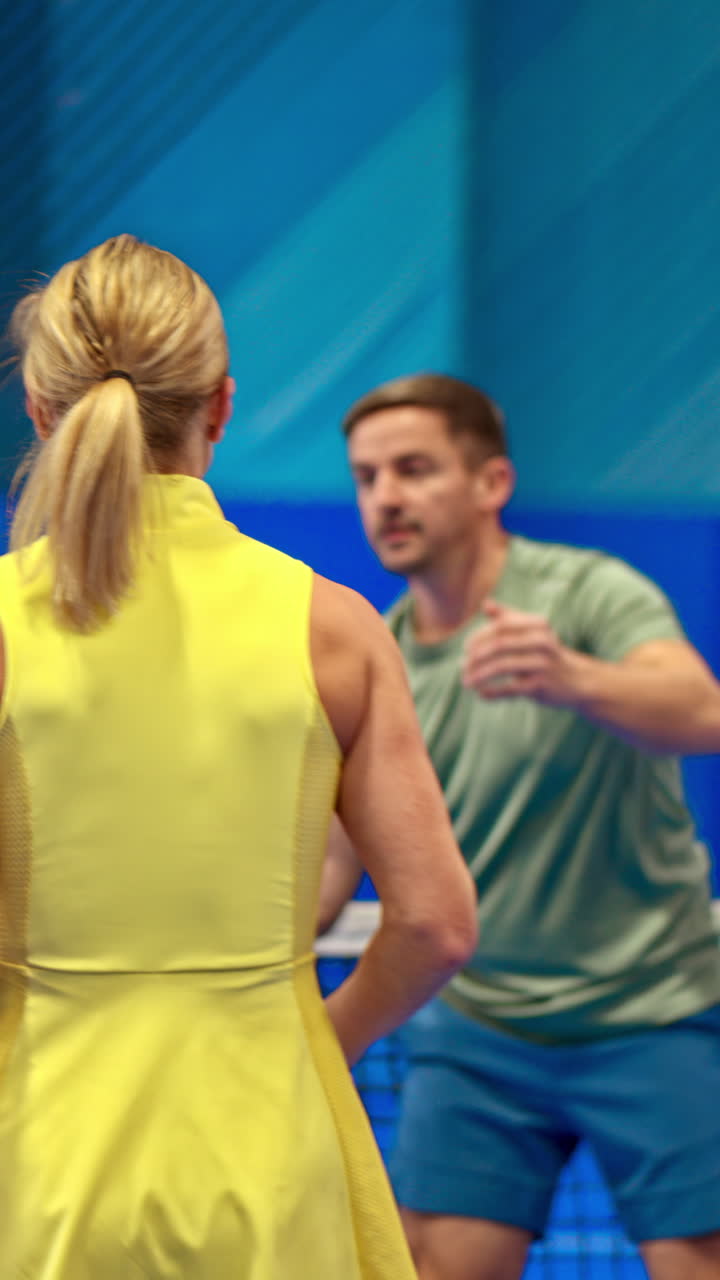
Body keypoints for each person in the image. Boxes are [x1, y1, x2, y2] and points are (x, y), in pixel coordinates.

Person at [0, 242, 478, 1280]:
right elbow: (437, 924)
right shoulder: (335, 630)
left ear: (39, 411)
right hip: (271, 1162)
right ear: (219, 408)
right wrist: (318, 1041)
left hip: (33, 1170)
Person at [319, 372, 720, 1280]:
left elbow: (701, 712)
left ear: (491, 482)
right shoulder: (381, 657)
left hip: (651, 1009)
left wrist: (575, 679)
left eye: (414, 468)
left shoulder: (589, 595)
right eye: (367, 477)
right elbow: (332, 872)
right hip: (478, 1032)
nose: (386, 497)